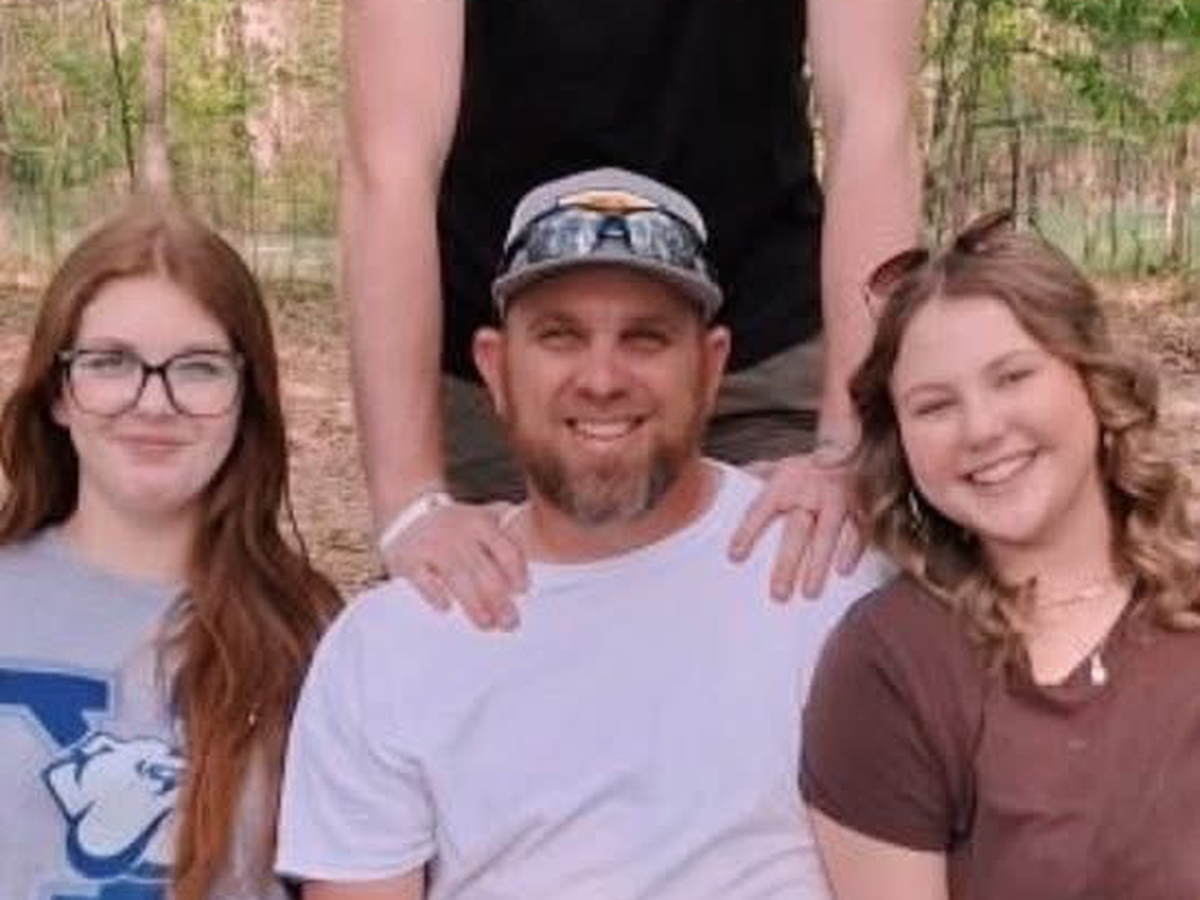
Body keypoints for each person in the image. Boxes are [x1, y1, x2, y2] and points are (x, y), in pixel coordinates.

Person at [276, 170, 889, 900]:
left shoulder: (828, 571)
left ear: (711, 366)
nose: (601, 379)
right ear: (495, 368)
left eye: (646, 337)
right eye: (560, 336)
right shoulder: (393, 643)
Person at [341, 0, 923, 626]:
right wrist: (412, 500)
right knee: (482, 645)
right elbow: (391, 157)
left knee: (808, 622)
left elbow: (872, 114)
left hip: (759, 352)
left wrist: (850, 448)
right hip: (512, 372)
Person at [800, 210, 1200, 899]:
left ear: (1093, 378)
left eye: (1012, 377)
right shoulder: (893, 665)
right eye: (934, 406)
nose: (982, 429)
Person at [0, 201, 342, 900]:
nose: (153, 403)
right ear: (59, 392)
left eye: (198, 367)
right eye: (110, 362)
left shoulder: (313, 634)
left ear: (246, 395)